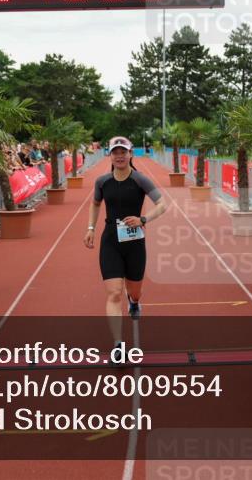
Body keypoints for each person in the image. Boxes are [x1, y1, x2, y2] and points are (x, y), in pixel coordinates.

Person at [84, 136, 168, 347]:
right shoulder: (102, 182)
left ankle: (135, 302)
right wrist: (91, 228)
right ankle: (118, 344)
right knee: (113, 293)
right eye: (115, 152)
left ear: (130, 154)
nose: (119, 156)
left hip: (134, 243)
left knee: (134, 291)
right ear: (110, 155)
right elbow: (95, 204)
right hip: (111, 240)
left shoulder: (140, 179)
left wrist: (143, 219)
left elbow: (162, 204)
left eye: (123, 152)